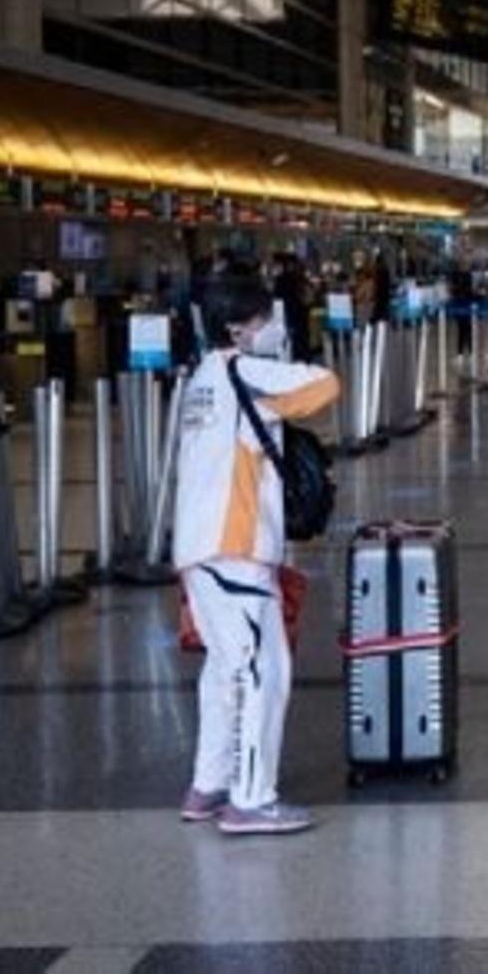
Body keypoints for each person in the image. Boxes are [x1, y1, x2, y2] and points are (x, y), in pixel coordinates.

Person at [174, 272, 340, 836]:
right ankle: (251, 798)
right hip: (235, 545)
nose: (272, 328)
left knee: (224, 669)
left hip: (199, 546)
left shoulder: (201, 378)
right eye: (264, 320)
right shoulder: (245, 370)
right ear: (238, 328)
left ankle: (209, 784)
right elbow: (323, 386)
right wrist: (283, 354)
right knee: (262, 668)